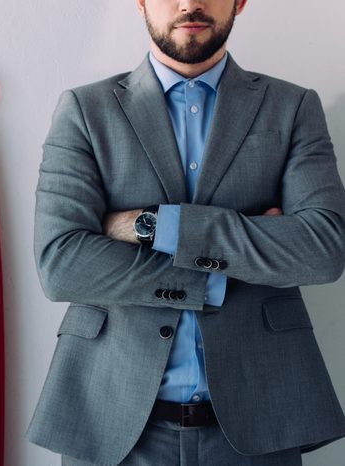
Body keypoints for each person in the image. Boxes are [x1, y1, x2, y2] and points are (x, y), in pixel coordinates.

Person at [27, 0, 345, 464]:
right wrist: (233, 260)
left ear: (239, 1)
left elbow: (323, 250)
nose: (189, 3)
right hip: (112, 422)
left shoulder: (292, 107)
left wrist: (154, 226)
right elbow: (61, 264)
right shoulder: (85, 110)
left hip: (260, 423)